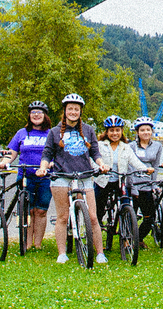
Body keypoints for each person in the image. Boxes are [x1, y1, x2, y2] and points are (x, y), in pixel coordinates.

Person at [36, 93, 110, 264]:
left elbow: (95, 153)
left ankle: (99, 253)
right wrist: (42, 168)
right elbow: (47, 153)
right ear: (65, 111)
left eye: (76, 109)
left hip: (84, 176)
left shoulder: (89, 130)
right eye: (70, 109)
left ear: (80, 111)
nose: (73, 112)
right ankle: (62, 253)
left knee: (92, 217)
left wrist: (101, 164)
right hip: (62, 177)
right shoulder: (54, 132)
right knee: (62, 217)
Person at [0, 101, 54, 250]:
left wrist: (52, 163)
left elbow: (56, 154)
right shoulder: (21, 133)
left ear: (45, 115)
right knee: (27, 210)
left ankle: (38, 243)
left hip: (45, 177)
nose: (36, 115)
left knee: (41, 210)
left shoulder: (51, 133)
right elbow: (12, 152)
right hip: (25, 176)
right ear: (29, 116)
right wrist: (4, 162)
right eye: (33, 112)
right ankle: (27, 243)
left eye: (40, 112)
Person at [93, 115, 144, 251]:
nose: (114, 133)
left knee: (126, 206)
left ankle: (127, 238)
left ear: (121, 131)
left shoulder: (125, 147)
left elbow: (134, 161)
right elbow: (93, 160)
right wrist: (99, 168)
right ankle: (96, 239)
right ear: (106, 132)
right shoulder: (100, 145)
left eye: (117, 130)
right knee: (97, 210)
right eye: (111, 130)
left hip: (119, 181)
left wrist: (145, 169)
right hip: (103, 182)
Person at [127, 116, 162, 247]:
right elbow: (129, 167)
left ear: (152, 131)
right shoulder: (130, 146)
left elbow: (156, 166)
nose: (145, 132)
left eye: (148, 130)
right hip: (133, 183)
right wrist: (133, 187)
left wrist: (153, 184)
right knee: (131, 215)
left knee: (149, 216)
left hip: (146, 185)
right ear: (137, 132)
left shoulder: (157, 146)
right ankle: (127, 239)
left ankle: (139, 237)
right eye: (142, 130)